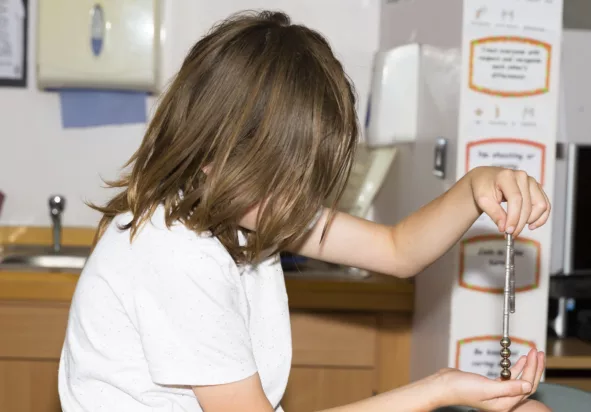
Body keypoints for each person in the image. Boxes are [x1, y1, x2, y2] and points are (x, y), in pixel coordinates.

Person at [58, 10, 553, 412]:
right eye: (284, 179)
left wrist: (475, 187)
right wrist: (439, 390)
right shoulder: (175, 253)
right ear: (214, 155)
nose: (300, 202)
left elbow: (398, 249)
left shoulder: (247, 207)